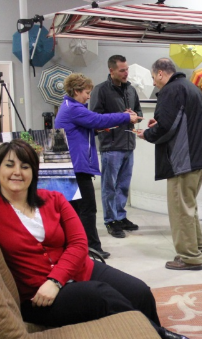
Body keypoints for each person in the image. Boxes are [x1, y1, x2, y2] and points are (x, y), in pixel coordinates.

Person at [0, 140, 198, 339]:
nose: (17, 172)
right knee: (102, 296)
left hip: (78, 272)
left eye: (25, 166)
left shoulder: (53, 199)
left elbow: (80, 242)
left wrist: (57, 279)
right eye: (9, 165)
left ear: (34, 171)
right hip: (38, 298)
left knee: (140, 291)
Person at [137, 58, 202, 270]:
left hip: (182, 159)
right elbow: (181, 121)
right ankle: (200, 250)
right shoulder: (191, 88)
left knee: (180, 209)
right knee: (189, 207)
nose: (154, 82)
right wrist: (159, 125)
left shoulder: (170, 91)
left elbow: (166, 127)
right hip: (197, 158)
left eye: (154, 77)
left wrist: (147, 133)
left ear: (162, 74)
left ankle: (189, 257)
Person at [55, 73, 140, 259]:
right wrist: (125, 117)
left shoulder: (71, 106)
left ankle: (77, 247)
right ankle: (92, 247)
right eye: (86, 92)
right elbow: (98, 119)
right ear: (76, 91)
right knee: (88, 210)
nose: (88, 96)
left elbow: (87, 127)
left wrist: (95, 129)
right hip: (77, 167)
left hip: (74, 166)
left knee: (76, 211)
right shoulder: (74, 108)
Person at [90, 55, 143, 240]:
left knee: (123, 185)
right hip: (111, 146)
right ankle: (110, 220)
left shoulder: (131, 90)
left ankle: (120, 217)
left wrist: (135, 115)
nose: (126, 73)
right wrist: (121, 116)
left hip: (129, 143)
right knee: (109, 186)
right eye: (122, 70)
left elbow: (140, 112)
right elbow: (95, 118)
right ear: (111, 70)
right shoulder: (101, 90)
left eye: (126, 69)